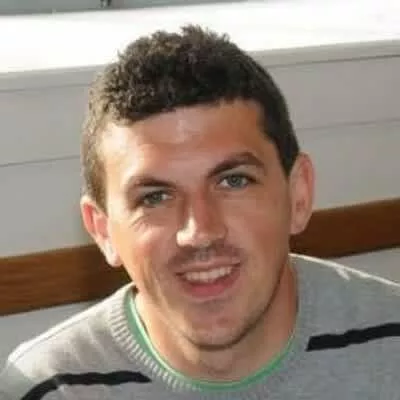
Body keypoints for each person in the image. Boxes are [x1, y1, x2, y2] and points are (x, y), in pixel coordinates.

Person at [1, 25, 400, 400]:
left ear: (298, 194)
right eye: (155, 197)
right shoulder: (52, 388)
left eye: (234, 181)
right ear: (102, 230)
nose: (200, 231)